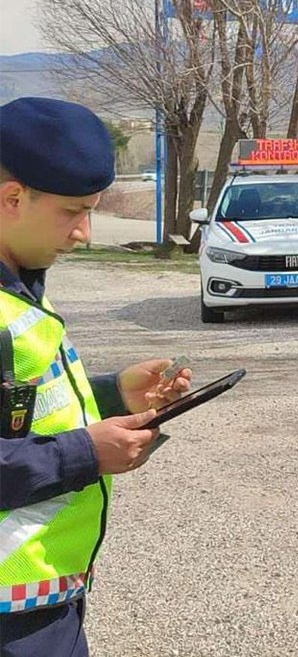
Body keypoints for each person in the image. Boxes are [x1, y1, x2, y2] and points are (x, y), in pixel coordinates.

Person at [0, 97, 191, 657]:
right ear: (12, 197)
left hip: (40, 604)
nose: (84, 233)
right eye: (72, 212)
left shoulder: (21, 280)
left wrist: (112, 394)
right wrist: (86, 454)